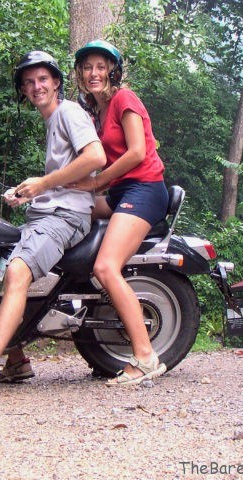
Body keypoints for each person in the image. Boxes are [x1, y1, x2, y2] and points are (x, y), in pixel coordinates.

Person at [0, 51, 106, 401]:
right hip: (47, 214)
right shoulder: (52, 120)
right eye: (28, 82)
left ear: (56, 82)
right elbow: (59, 178)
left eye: (42, 79)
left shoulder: (69, 112)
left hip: (65, 218)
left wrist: (43, 184)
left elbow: (96, 157)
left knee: (17, 272)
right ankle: (17, 358)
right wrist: (30, 193)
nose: (35, 86)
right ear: (22, 90)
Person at [71, 39, 169, 386]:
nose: (94, 73)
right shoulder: (95, 111)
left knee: (105, 265)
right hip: (120, 192)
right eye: (87, 67)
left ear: (113, 71)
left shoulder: (124, 99)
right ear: (80, 73)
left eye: (101, 67)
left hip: (144, 190)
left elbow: (137, 153)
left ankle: (145, 356)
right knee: (66, 213)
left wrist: (97, 183)